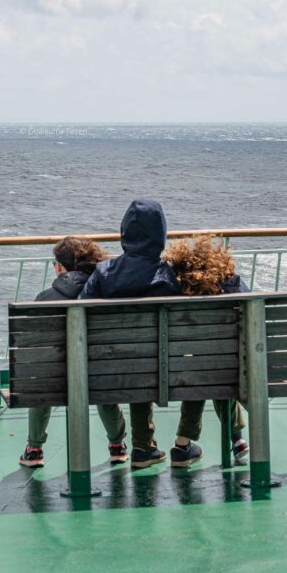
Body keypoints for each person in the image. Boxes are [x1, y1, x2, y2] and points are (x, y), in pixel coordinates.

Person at [79, 199, 181, 470]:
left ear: (124, 231)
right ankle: (143, 447)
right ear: (161, 234)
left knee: (135, 358)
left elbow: (78, 313)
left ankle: (142, 446)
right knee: (146, 357)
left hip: (109, 365)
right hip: (165, 368)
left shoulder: (103, 273)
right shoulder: (170, 276)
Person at [18, 236, 129, 469]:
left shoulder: (45, 299)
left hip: (56, 379)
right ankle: (117, 445)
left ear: (60, 267)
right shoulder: (107, 294)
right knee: (102, 379)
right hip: (102, 374)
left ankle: (34, 448)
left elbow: (35, 348)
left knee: (43, 380)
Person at [160, 234, 249, 468]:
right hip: (231, 364)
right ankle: (236, 438)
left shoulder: (174, 290)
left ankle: (182, 444)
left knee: (200, 369)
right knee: (217, 367)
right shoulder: (236, 286)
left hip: (183, 368)